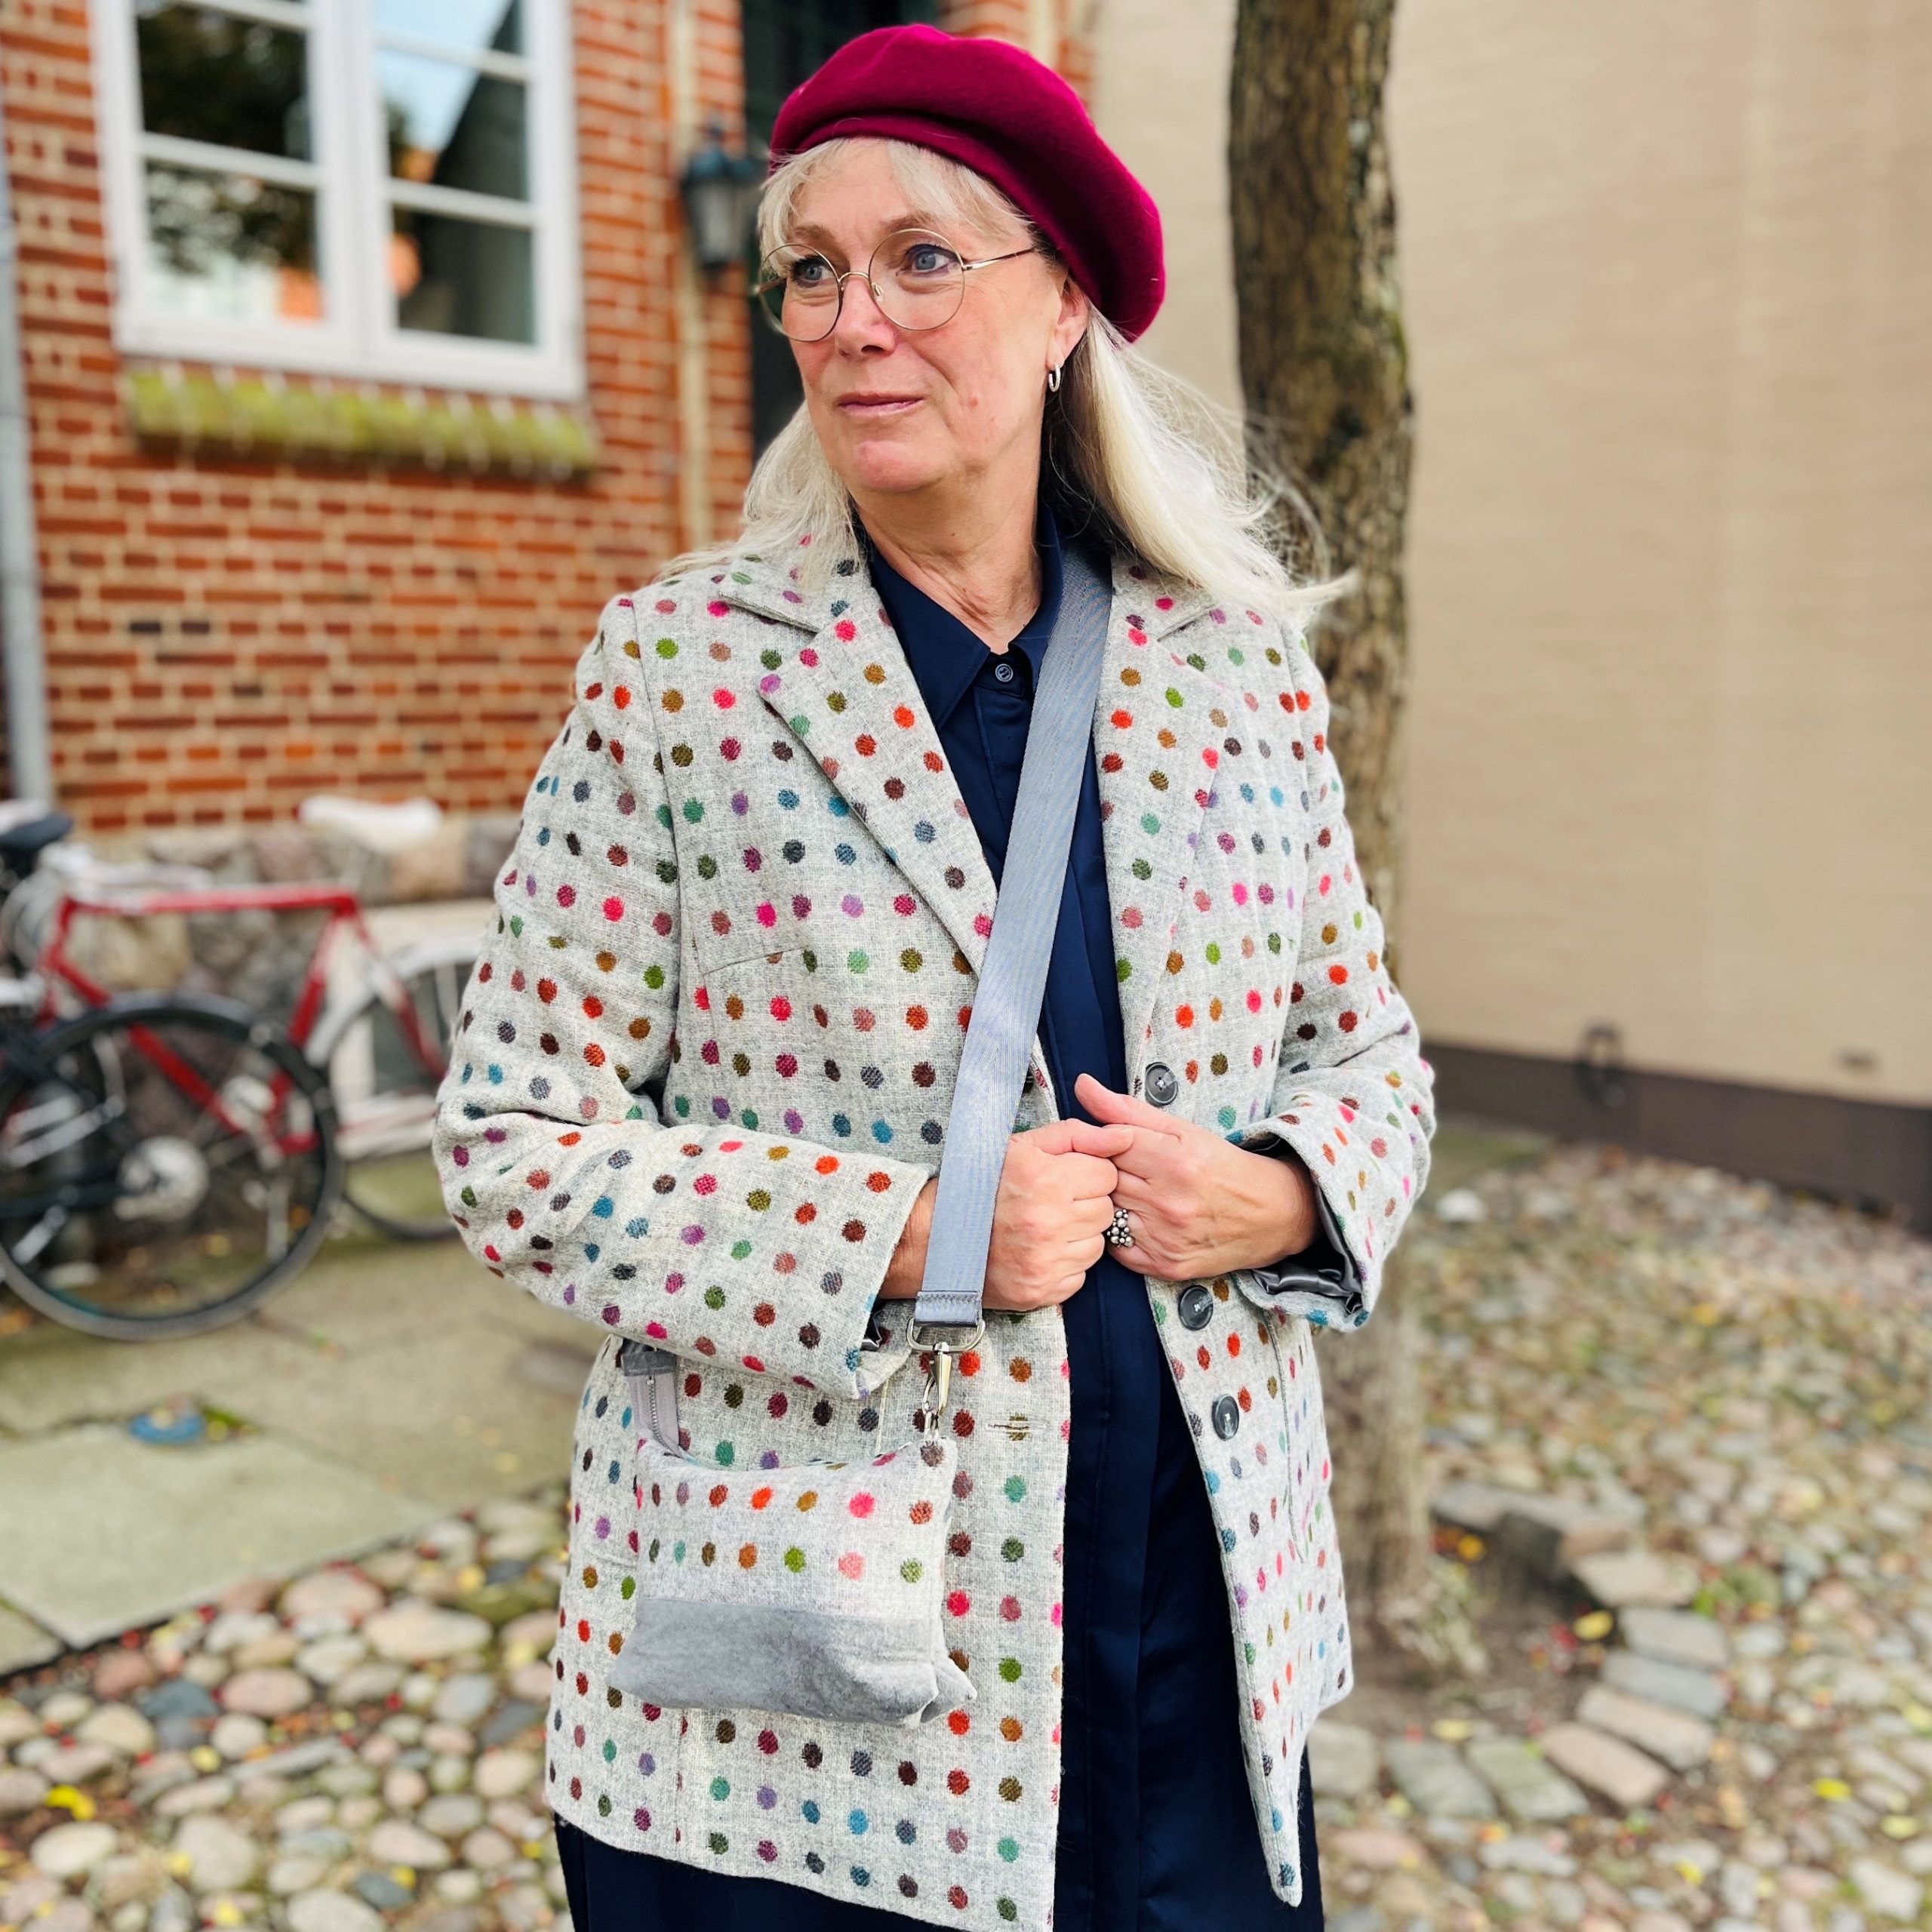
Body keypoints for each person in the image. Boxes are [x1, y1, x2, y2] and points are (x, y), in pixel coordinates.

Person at [434, 23, 1434, 1931]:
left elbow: (1368, 1052)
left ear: (1062, 306)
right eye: (810, 269)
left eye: (919, 259)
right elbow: (506, 1146)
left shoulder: (1234, 674)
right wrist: (907, 1232)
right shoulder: (681, 672)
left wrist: (1284, 1187)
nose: (851, 318)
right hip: (813, 1657)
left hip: (1183, 1614)